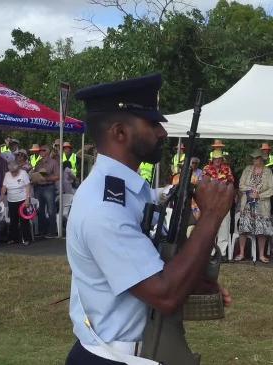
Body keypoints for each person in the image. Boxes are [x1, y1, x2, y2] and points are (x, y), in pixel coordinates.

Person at [66, 73, 233, 364]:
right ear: (120, 132)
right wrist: (211, 216)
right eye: (152, 124)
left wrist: (196, 281)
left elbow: (152, 266)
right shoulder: (104, 208)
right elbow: (164, 294)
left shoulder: (132, 192)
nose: (162, 133)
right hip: (113, 358)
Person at [236, 149, 273, 263]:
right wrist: (250, 190)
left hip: (262, 205)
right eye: (253, 158)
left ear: (261, 159)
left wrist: (259, 195)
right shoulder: (247, 169)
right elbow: (241, 185)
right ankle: (242, 253)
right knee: (243, 229)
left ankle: (262, 255)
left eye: (256, 158)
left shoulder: (268, 171)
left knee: (262, 230)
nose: (254, 160)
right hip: (247, 204)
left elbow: (272, 189)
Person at [202, 150, 235, 259]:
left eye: (219, 159)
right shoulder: (207, 169)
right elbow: (204, 184)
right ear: (212, 160)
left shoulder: (226, 168)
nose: (218, 161)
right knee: (211, 227)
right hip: (211, 201)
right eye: (216, 159)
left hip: (224, 201)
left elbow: (231, 182)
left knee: (224, 226)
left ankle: (222, 253)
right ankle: (210, 252)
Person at [1, 160, 32, 245]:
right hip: (11, 200)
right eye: (11, 172)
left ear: (18, 168)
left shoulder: (23, 173)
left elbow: (28, 186)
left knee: (24, 220)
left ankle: (26, 239)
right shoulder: (7, 174)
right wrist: (2, 196)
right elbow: (4, 187)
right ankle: (14, 238)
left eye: (14, 172)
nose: (13, 173)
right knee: (13, 220)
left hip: (22, 199)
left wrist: (27, 199)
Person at [32, 144, 60, 238]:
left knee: (51, 210)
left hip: (49, 187)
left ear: (47, 151)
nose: (40, 151)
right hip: (38, 187)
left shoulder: (54, 162)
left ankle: (52, 232)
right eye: (40, 150)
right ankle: (42, 231)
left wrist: (47, 178)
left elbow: (58, 176)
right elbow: (35, 174)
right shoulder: (38, 162)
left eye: (43, 150)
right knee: (40, 210)